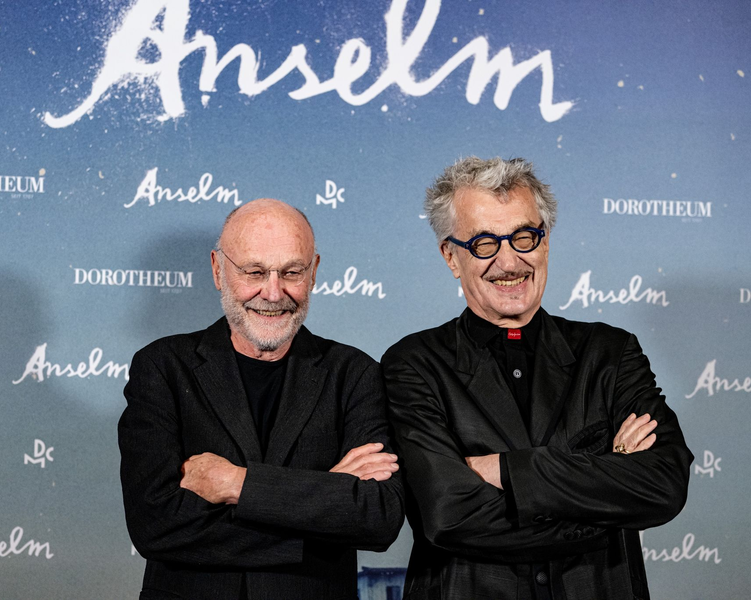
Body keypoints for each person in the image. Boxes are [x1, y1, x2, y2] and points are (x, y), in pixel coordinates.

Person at [382, 157, 692, 600]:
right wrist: (607, 489)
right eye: (485, 243)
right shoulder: (412, 364)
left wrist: (505, 469)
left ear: (545, 243)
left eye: (524, 237)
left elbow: (664, 483)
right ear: (451, 256)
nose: (510, 262)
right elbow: (449, 514)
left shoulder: (611, 352)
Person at [118, 198, 404, 600]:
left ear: (315, 272)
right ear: (219, 270)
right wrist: (324, 504)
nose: (273, 293)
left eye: (292, 272)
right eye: (254, 272)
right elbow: (156, 524)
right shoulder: (163, 367)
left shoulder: (354, 374)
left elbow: (378, 516)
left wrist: (236, 483)